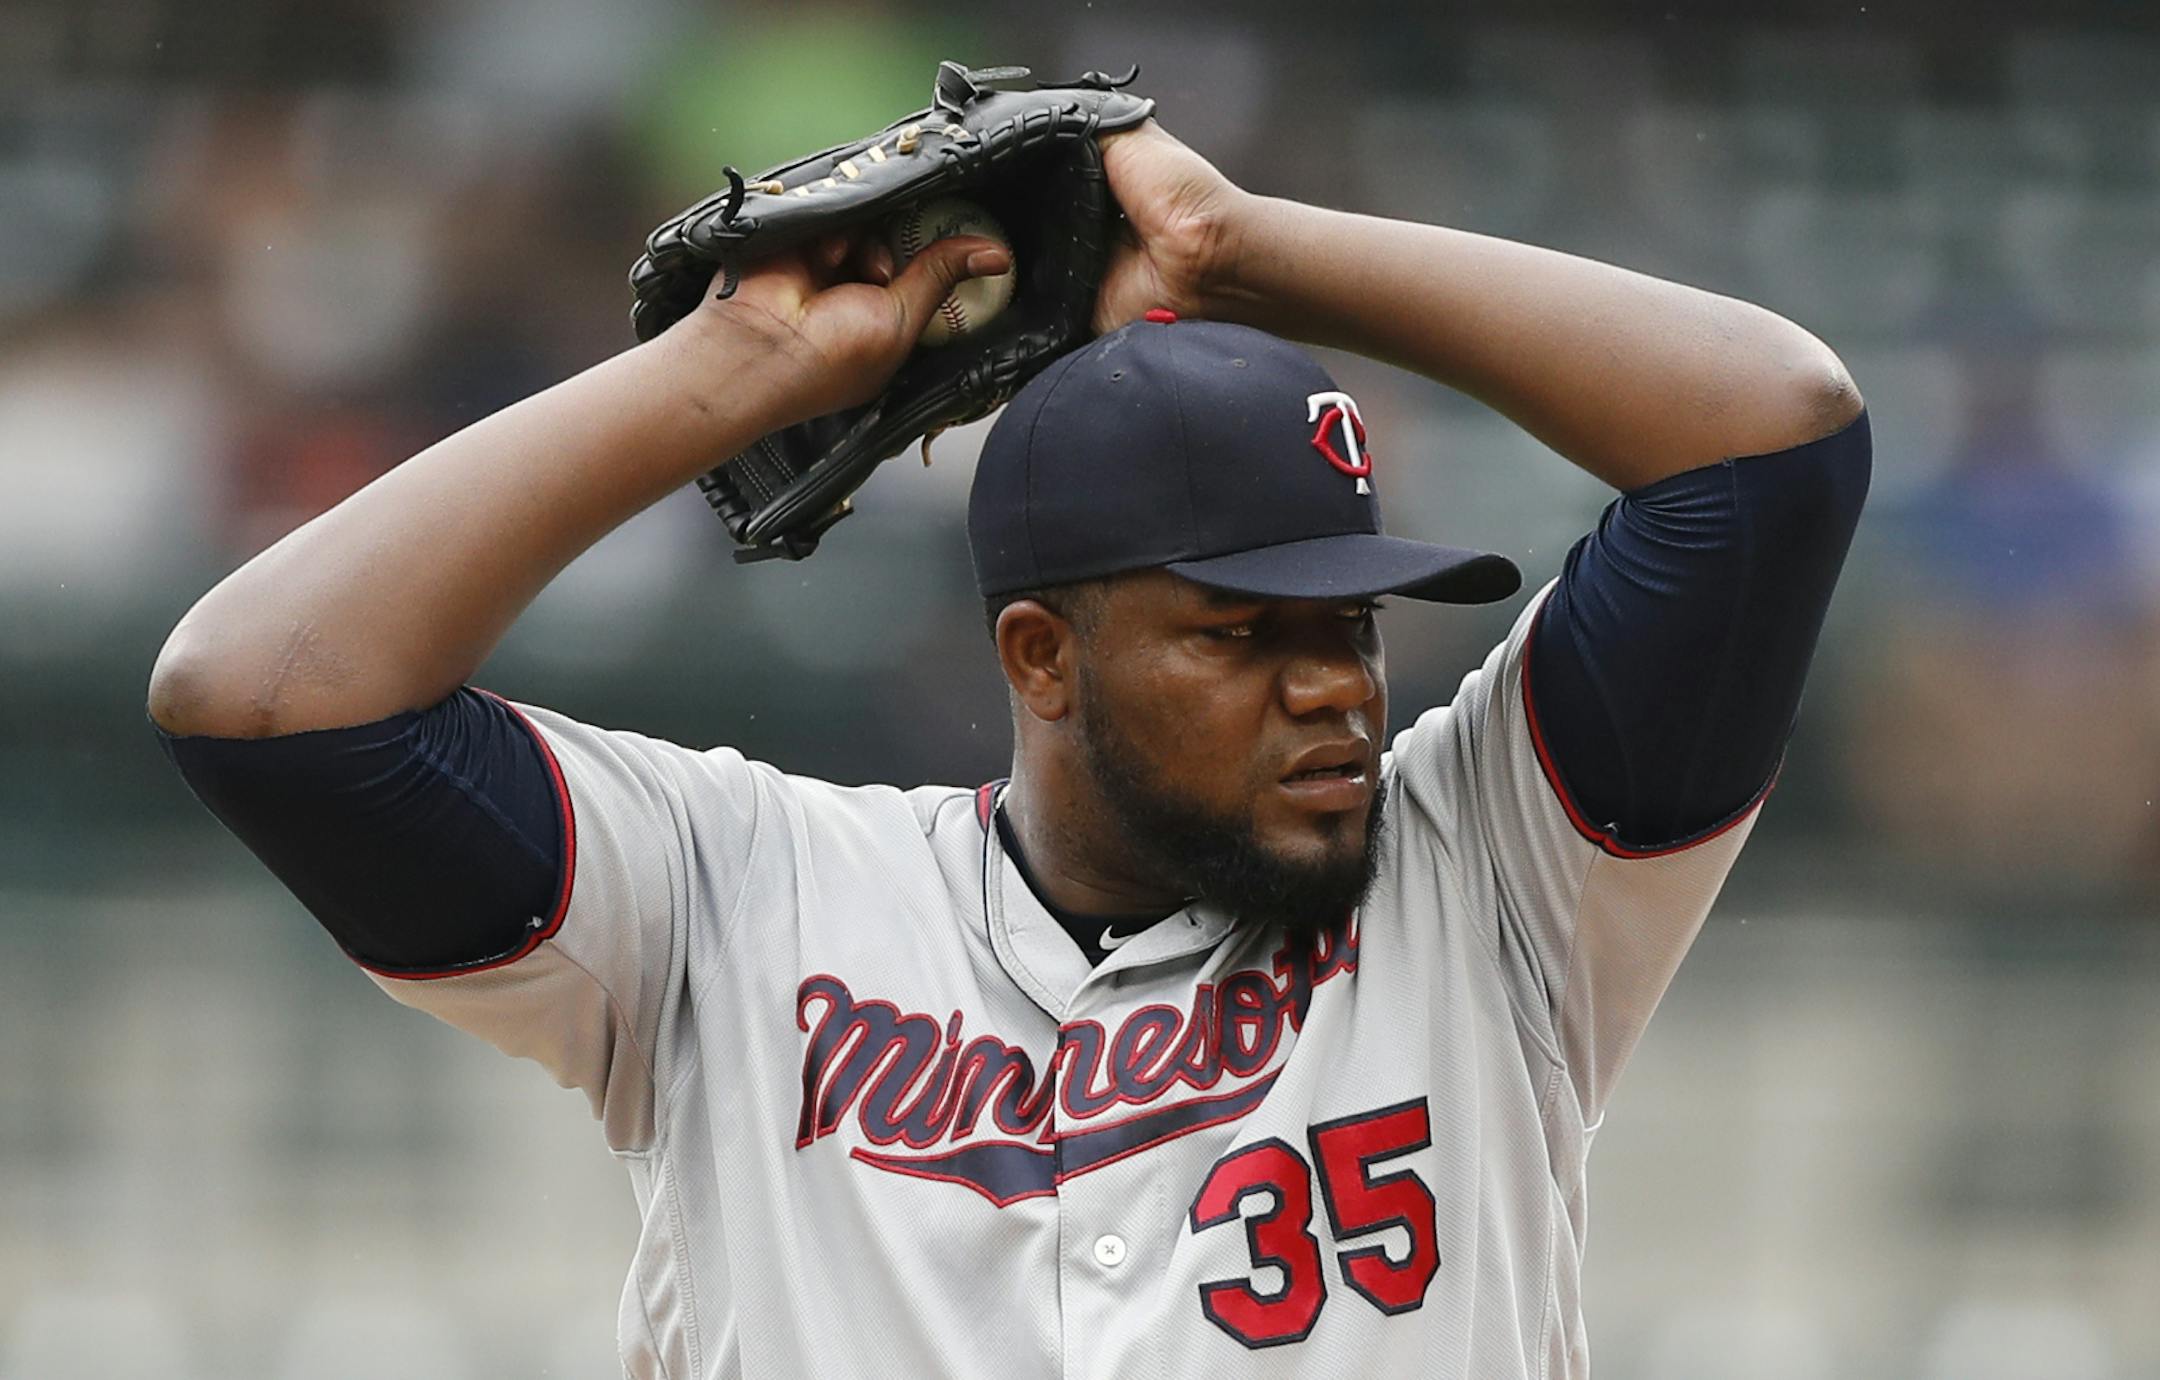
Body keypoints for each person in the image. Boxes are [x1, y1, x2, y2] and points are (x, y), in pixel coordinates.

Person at [149, 119, 1869, 1378]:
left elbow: (1772, 446)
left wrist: (1240, 249)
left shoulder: (1490, 874)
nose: (1339, 686)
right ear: (1042, 657)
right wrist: (733, 371)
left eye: (1347, 623)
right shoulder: (743, 895)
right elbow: (268, 696)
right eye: (1244, 632)